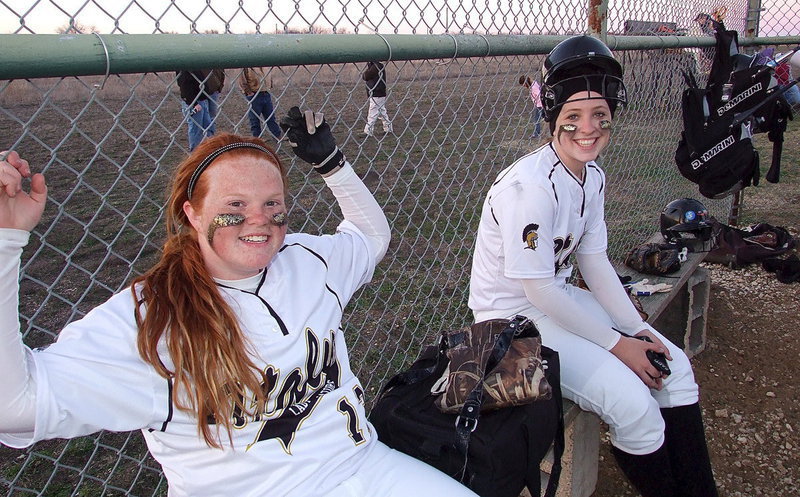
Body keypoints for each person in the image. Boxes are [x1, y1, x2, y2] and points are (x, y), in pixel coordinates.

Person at [0, 109, 479, 497]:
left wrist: (333, 165)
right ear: (192, 213)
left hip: (365, 466)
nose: (259, 219)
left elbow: (370, 237)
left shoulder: (306, 260)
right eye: (235, 206)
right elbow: (15, 406)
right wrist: (4, 240)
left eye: (273, 204)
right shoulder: (152, 316)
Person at [468, 35, 718, 497]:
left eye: (599, 114)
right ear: (553, 117)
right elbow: (538, 290)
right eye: (574, 116)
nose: (589, 128)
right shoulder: (530, 188)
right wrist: (618, 345)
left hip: (556, 302)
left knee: (675, 368)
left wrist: (635, 329)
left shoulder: (593, 176)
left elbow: (593, 259)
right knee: (634, 406)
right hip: (508, 324)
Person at [238, 66, 283, 139]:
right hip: (254, 94)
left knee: (270, 116)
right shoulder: (246, 66)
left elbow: (268, 75)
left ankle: (277, 135)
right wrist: (248, 92)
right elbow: (242, 80)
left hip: (265, 92)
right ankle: (257, 138)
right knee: (254, 118)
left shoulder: (265, 64)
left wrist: (269, 86)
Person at [176, 69, 214, 151]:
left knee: (207, 126)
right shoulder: (185, 70)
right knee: (195, 129)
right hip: (194, 103)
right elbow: (185, 89)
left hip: (202, 101)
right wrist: (194, 103)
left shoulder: (195, 68)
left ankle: (210, 148)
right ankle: (195, 151)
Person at [362, 61, 393, 137]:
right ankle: (388, 128)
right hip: (378, 92)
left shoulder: (376, 66)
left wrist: (368, 68)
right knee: (381, 112)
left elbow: (366, 76)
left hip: (376, 93)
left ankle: (368, 131)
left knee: (372, 113)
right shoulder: (377, 66)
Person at [205, 68, 226, 136]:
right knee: (205, 117)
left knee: (212, 117)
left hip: (214, 91)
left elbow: (222, 73)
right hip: (202, 92)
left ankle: (211, 136)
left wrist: (219, 87)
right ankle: (207, 136)